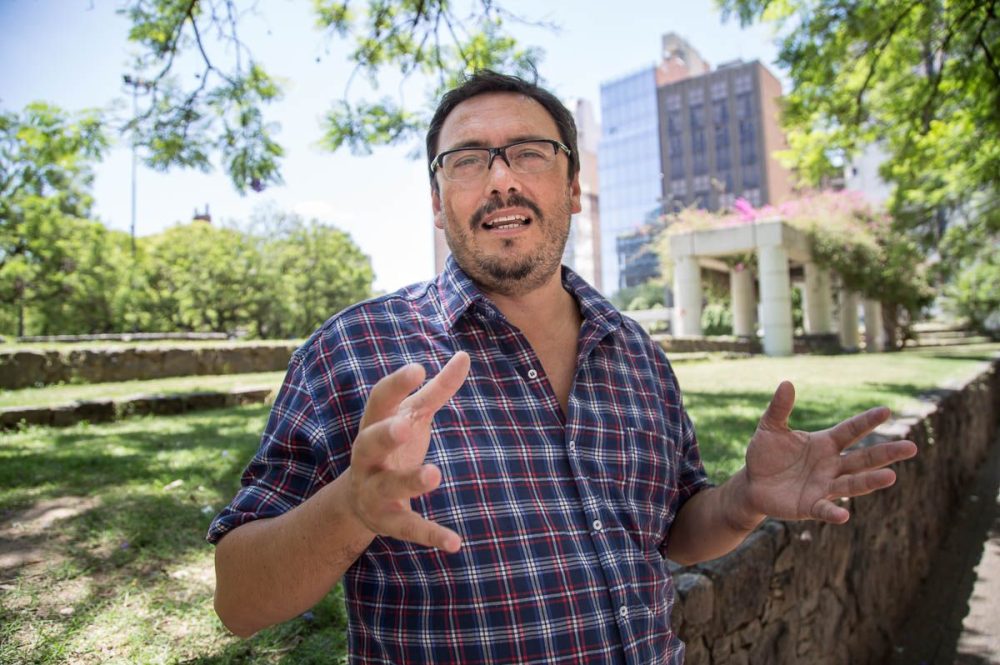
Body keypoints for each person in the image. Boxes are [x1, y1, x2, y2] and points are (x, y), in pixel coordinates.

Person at [207, 70, 918, 664]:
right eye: (467, 160)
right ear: (436, 201)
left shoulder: (636, 353)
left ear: (575, 188)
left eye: (530, 153)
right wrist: (351, 508)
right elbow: (239, 599)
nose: (501, 179)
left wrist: (743, 499)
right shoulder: (353, 351)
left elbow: (672, 532)